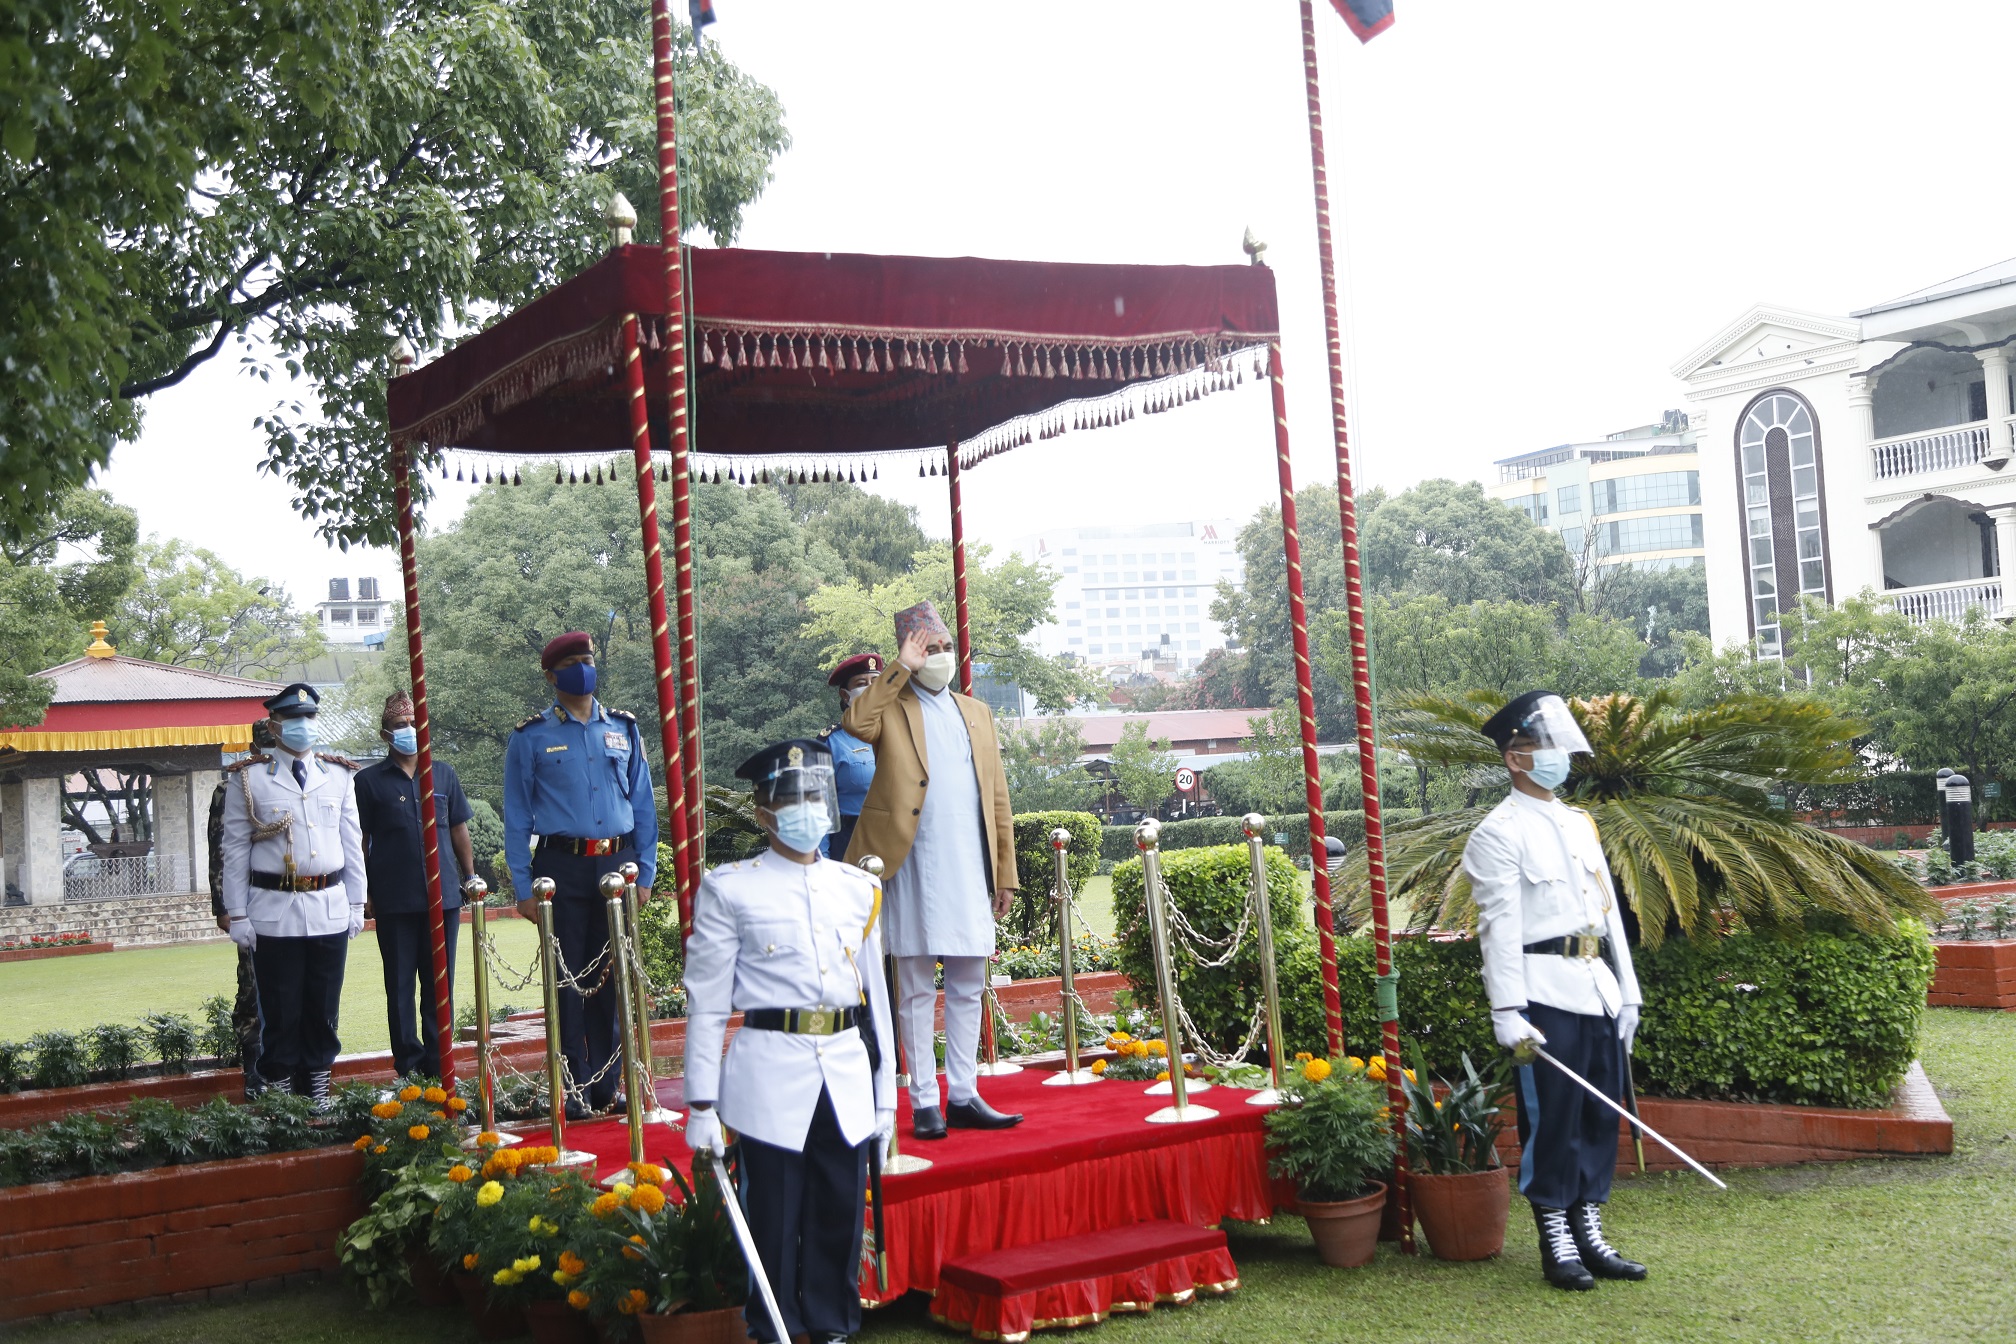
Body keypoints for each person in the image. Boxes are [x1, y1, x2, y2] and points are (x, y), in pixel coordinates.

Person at [683, 738, 896, 1344]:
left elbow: (876, 1004)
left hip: (846, 1068)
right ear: (763, 813)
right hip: (771, 1067)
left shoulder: (858, 888)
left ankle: (832, 1326)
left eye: (814, 796)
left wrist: (885, 1103)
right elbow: (706, 1004)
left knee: (838, 1214)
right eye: (791, 798)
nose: (806, 808)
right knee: (772, 1217)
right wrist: (701, 1104)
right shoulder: (731, 888)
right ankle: (773, 1329)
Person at [1463, 690, 1646, 1292]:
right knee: (1556, 1119)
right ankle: (1556, 1239)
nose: (1560, 757)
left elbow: (1608, 912)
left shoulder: (1578, 823)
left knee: (1598, 1115)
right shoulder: (1498, 832)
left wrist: (1629, 989)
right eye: (1546, 747)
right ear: (1515, 759)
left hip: (1595, 988)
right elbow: (1500, 929)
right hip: (1544, 996)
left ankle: (1589, 1230)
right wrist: (1507, 1009)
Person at [843, 600, 1021, 1140]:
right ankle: (924, 1100)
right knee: (916, 983)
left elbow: (998, 799)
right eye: (929, 650)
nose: (940, 658)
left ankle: (963, 1093)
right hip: (914, 861)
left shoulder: (977, 712)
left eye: (944, 648)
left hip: (971, 863)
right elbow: (856, 722)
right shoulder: (892, 705)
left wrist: (1005, 872)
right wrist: (901, 666)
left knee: (970, 979)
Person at [504, 632, 658, 1118]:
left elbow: (644, 805)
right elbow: (516, 817)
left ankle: (608, 1087)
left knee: (613, 981)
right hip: (561, 867)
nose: (581, 668)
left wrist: (647, 870)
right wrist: (523, 885)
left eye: (586, 660)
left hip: (617, 863)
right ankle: (570, 1087)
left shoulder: (624, 729)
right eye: (570, 663)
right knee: (567, 982)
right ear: (551, 676)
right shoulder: (531, 737)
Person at [218, 683, 367, 1106]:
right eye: (292, 718)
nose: (303, 726)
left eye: (309, 717)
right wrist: (237, 912)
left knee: (323, 1004)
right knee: (281, 1008)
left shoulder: (337, 775)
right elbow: (234, 849)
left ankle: (319, 1084)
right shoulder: (248, 779)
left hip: (329, 904)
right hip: (273, 907)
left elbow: (352, 843)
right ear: (273, 724)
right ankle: (280, 1088)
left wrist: (357, 901)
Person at [355, 690, 476, 1082]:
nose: (408, 730)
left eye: (413, 724)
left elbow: (458, 828)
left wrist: (470, 875)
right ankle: (408, 1067)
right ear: (385, 733)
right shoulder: (368, 782)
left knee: (440, 986)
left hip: (443, 900)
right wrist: (365, 894)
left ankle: (440, 1064)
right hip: (393, 901)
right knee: (400, 987)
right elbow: (361, 840)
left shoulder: (443, 774)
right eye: (399, 726)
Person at [209, 718, 276, 1097]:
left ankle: (291, 1068)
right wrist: (224, 906)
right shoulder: (233, 788)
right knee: (252, 987)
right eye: (264, 746)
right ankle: (254, 1073)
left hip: (292, 900)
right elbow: (220, 849)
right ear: (253, 749)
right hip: (249, 902)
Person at [819, 652, 882, 859]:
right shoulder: (831, 742)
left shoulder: (904, 735)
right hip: (850, 842)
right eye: (862, 682)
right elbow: (820, 808)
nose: (871, 687)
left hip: (896, 840)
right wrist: (822, 862)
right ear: (846, 695)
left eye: (876, 681)